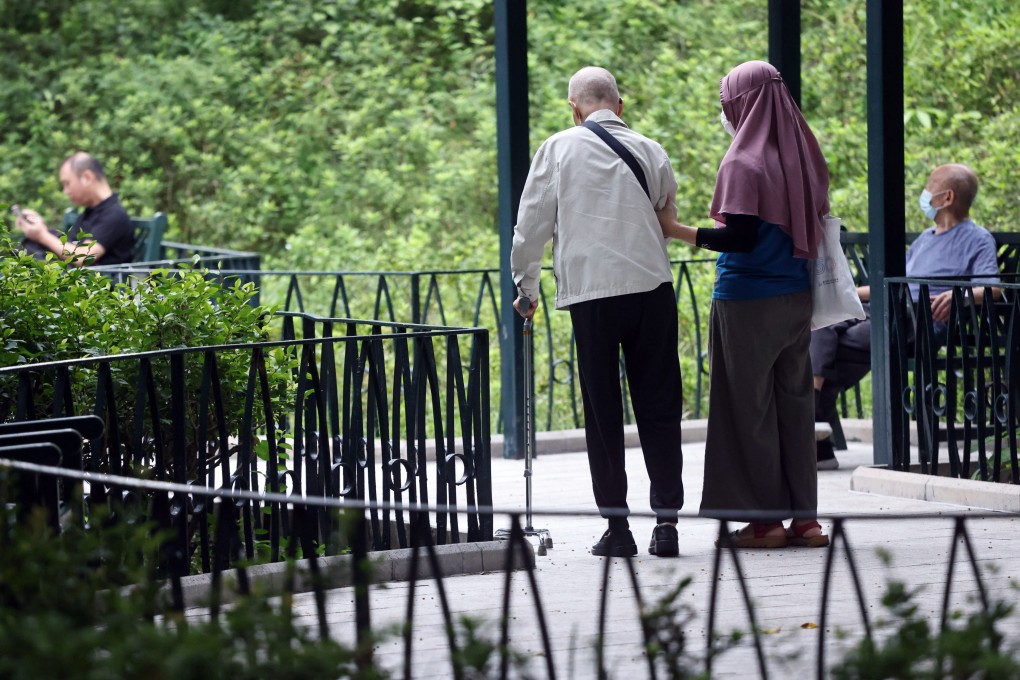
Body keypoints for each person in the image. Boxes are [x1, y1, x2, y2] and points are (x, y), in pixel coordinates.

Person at [510, 66, 685, 558]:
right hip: (652, 288)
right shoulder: (651, 150)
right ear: (620, 106)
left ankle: (618, 528)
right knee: (659, 405)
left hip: (592, 296)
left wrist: (527, 287)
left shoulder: (558, 148)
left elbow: (531, 226)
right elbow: (664, 213)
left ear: (574, 108)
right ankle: (667, 524)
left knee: (603, 412)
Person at [657, 60, 829, 549]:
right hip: (796, 298)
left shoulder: (741, 163)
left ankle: (763, 523)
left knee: (746, 409)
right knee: (795, 407)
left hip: (747, 302)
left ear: (742, 103)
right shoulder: (804, 155)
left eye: (726, 101)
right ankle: (805, 521)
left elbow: (739, 237)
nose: (724, 112)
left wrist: (677, 230)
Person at [812, 163, 1001, 469]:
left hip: (921, 321)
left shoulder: (977, 239)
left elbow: (993, 290)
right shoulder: (925, 239)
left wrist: (959, 295)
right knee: (824, 320)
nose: (924, 192)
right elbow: (892, 285)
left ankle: (811, 427)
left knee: (832, 351)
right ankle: (814, 427)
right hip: (889, 311)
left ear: (946, 197)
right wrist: (836, 296)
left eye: (930, 185)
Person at [15, 152, 134, 265]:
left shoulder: (114, 214)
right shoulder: (92, 211)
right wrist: (40, 229)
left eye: (67, 183)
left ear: (87, 178)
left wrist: (42, 235)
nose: (66, 191)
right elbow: (70, 245)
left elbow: (84, 257)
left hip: (97, 283)